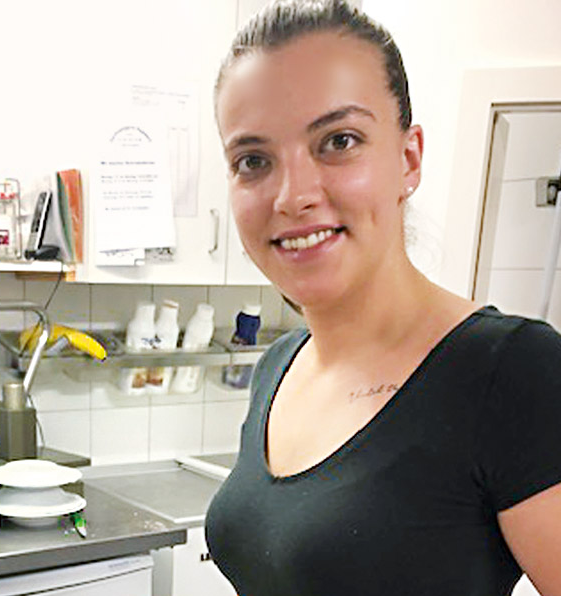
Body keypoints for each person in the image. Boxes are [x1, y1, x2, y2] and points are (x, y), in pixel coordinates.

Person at [204, 1, 561, 595]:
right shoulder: (279, 365)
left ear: (408, 158)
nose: (292, 196)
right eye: (254, 160)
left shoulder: (513, 371)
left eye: (338, 141)